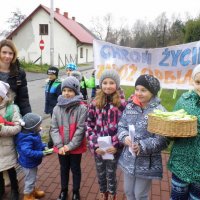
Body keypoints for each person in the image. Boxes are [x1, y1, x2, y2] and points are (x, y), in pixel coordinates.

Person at [117, 74, 169, 200]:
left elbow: (163, 139)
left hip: (147, 163)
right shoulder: (130, 107)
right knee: (128, 192)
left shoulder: (160, 111)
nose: (139, 93)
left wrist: (142, 145)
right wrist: (124, 137)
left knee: (140, 194)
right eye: (137, 89)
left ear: (153, 92)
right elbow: (121, 126)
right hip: (129, 158)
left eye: (143, 90)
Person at [86, 69, 127, 200]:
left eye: (111, 83)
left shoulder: (122, 104)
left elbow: (124, 127)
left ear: (117, 85)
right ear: (100, 84)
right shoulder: (94, 103)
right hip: (98, 148)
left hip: (113, 148)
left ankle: (112, 194)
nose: (108, 86)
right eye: (104, 82)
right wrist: (94, 145)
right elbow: (88, 125)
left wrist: (116, 144)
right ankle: (103, 192)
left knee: (111, 173)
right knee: (100, 173)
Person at [50, 76, 87, 200]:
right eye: (64, 90)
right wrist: (60, 146)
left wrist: (69, 146)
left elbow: (80, 130)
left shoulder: (82, 108)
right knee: (64, 169)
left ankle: (76, 191)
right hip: (61, 148)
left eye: (70, 90)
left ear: (76, 91)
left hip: (75, 147)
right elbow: (54, 129)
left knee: (76, 169)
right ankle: (63, 190)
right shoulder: (56, 108)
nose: (67, 93)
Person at [167, 64, 200, 199]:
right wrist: (171, 132)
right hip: (181, 162)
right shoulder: (184, 100)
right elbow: (173, 124)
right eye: (198, 82)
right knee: (177, 197)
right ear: (193, 81)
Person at [15, 113, 47, 200]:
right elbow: (27, 152)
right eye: (38, 125)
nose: (40, 126)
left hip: (32, 162)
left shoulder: (33, 133)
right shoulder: (26, 138)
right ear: (32, 127)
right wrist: (41, 153)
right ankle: (28, 196)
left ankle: (32, 191)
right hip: (28, 163)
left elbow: (36, 144)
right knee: (30, 180)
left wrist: (43, 146)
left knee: (33, 178)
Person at [0, 81, 22, 200]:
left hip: (8, 146)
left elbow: (18, 127)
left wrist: (1, 129)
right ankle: (1, 188)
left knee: (10, 169)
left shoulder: (11, 108)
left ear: (2, 95)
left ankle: (15, 189)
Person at [0, 39, 31, 116]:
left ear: (14, 55)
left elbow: (23, 100)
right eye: (4, 52)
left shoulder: (20, 73)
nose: (7, 56)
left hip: (13, 116)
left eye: (10, 53)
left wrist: (28, 118)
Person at [44, 66, 62, 148]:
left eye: (52, 74)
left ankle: (51, 143)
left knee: (53, 126)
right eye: (49, 74)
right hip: (50, 108)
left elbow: (60, 98)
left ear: (56, 75)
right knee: (55, 126)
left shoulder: (58, 84)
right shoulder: (48, 83)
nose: (50, 76)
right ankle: (54, 142)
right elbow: (47, 97)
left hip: (56, 109)